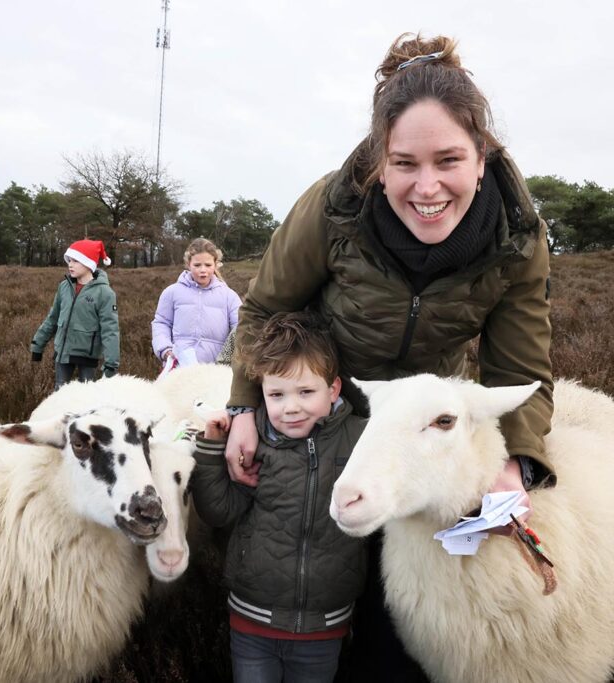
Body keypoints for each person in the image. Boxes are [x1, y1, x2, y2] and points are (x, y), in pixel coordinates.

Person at [222, 34, 556, 681]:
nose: (426, 187)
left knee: (402, 616)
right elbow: (263, 309)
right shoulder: (332, 208)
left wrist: (516, 462)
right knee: (313, 570)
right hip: (327, 417)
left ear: (481, 159)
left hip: (425, 435)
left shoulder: (517, 236)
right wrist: (243, 406)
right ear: (380, 161)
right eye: (404, 163)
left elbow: (522, 370)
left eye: (448, 160)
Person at [190, 311, 368, 683]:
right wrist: (210, 448)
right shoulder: (255, 438)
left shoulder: (360, 439)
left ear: (333, 389)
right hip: (252, 620)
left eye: (306, 392)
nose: (290, 407)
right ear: (262, 392)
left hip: (326, 624)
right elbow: (219, 510)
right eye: (276, 394)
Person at [31, 239, 119, 389]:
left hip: (87, 356)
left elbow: (110, 330)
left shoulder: (105, 293)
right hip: (62, 353)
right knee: (60, 396)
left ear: (89, 263)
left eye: (76, 261)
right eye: (69, 260)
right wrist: (38, 344)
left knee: (85, 400)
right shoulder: (64, 287)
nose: (70, 264)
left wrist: (111, 364)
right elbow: (53, 318)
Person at [152, 237, 242, 367]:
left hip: (215, 372)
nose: (203, 270)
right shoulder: (171, 292)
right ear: (188, 264)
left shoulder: (229, 296)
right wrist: (165, 350)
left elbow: (240, 328)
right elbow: (161, 323)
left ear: (216, 264)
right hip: (178, 369)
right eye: (197, 265)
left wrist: (226, 359)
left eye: (208, 265)